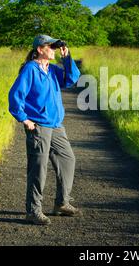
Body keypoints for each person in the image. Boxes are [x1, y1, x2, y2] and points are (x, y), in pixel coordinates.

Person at [8, 34, 81, 225]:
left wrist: (67, 57)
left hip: (56, 125)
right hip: (39, 126)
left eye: (56, 47)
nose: (54, 50)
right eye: (51, 47)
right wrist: (24, 119)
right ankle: (33, 211)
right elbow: (15, 95)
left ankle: (61, 203)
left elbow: (72, 78)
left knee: (67, 160)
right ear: (40, 49)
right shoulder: (30, 70)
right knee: (38, 169)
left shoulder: (52, 70)